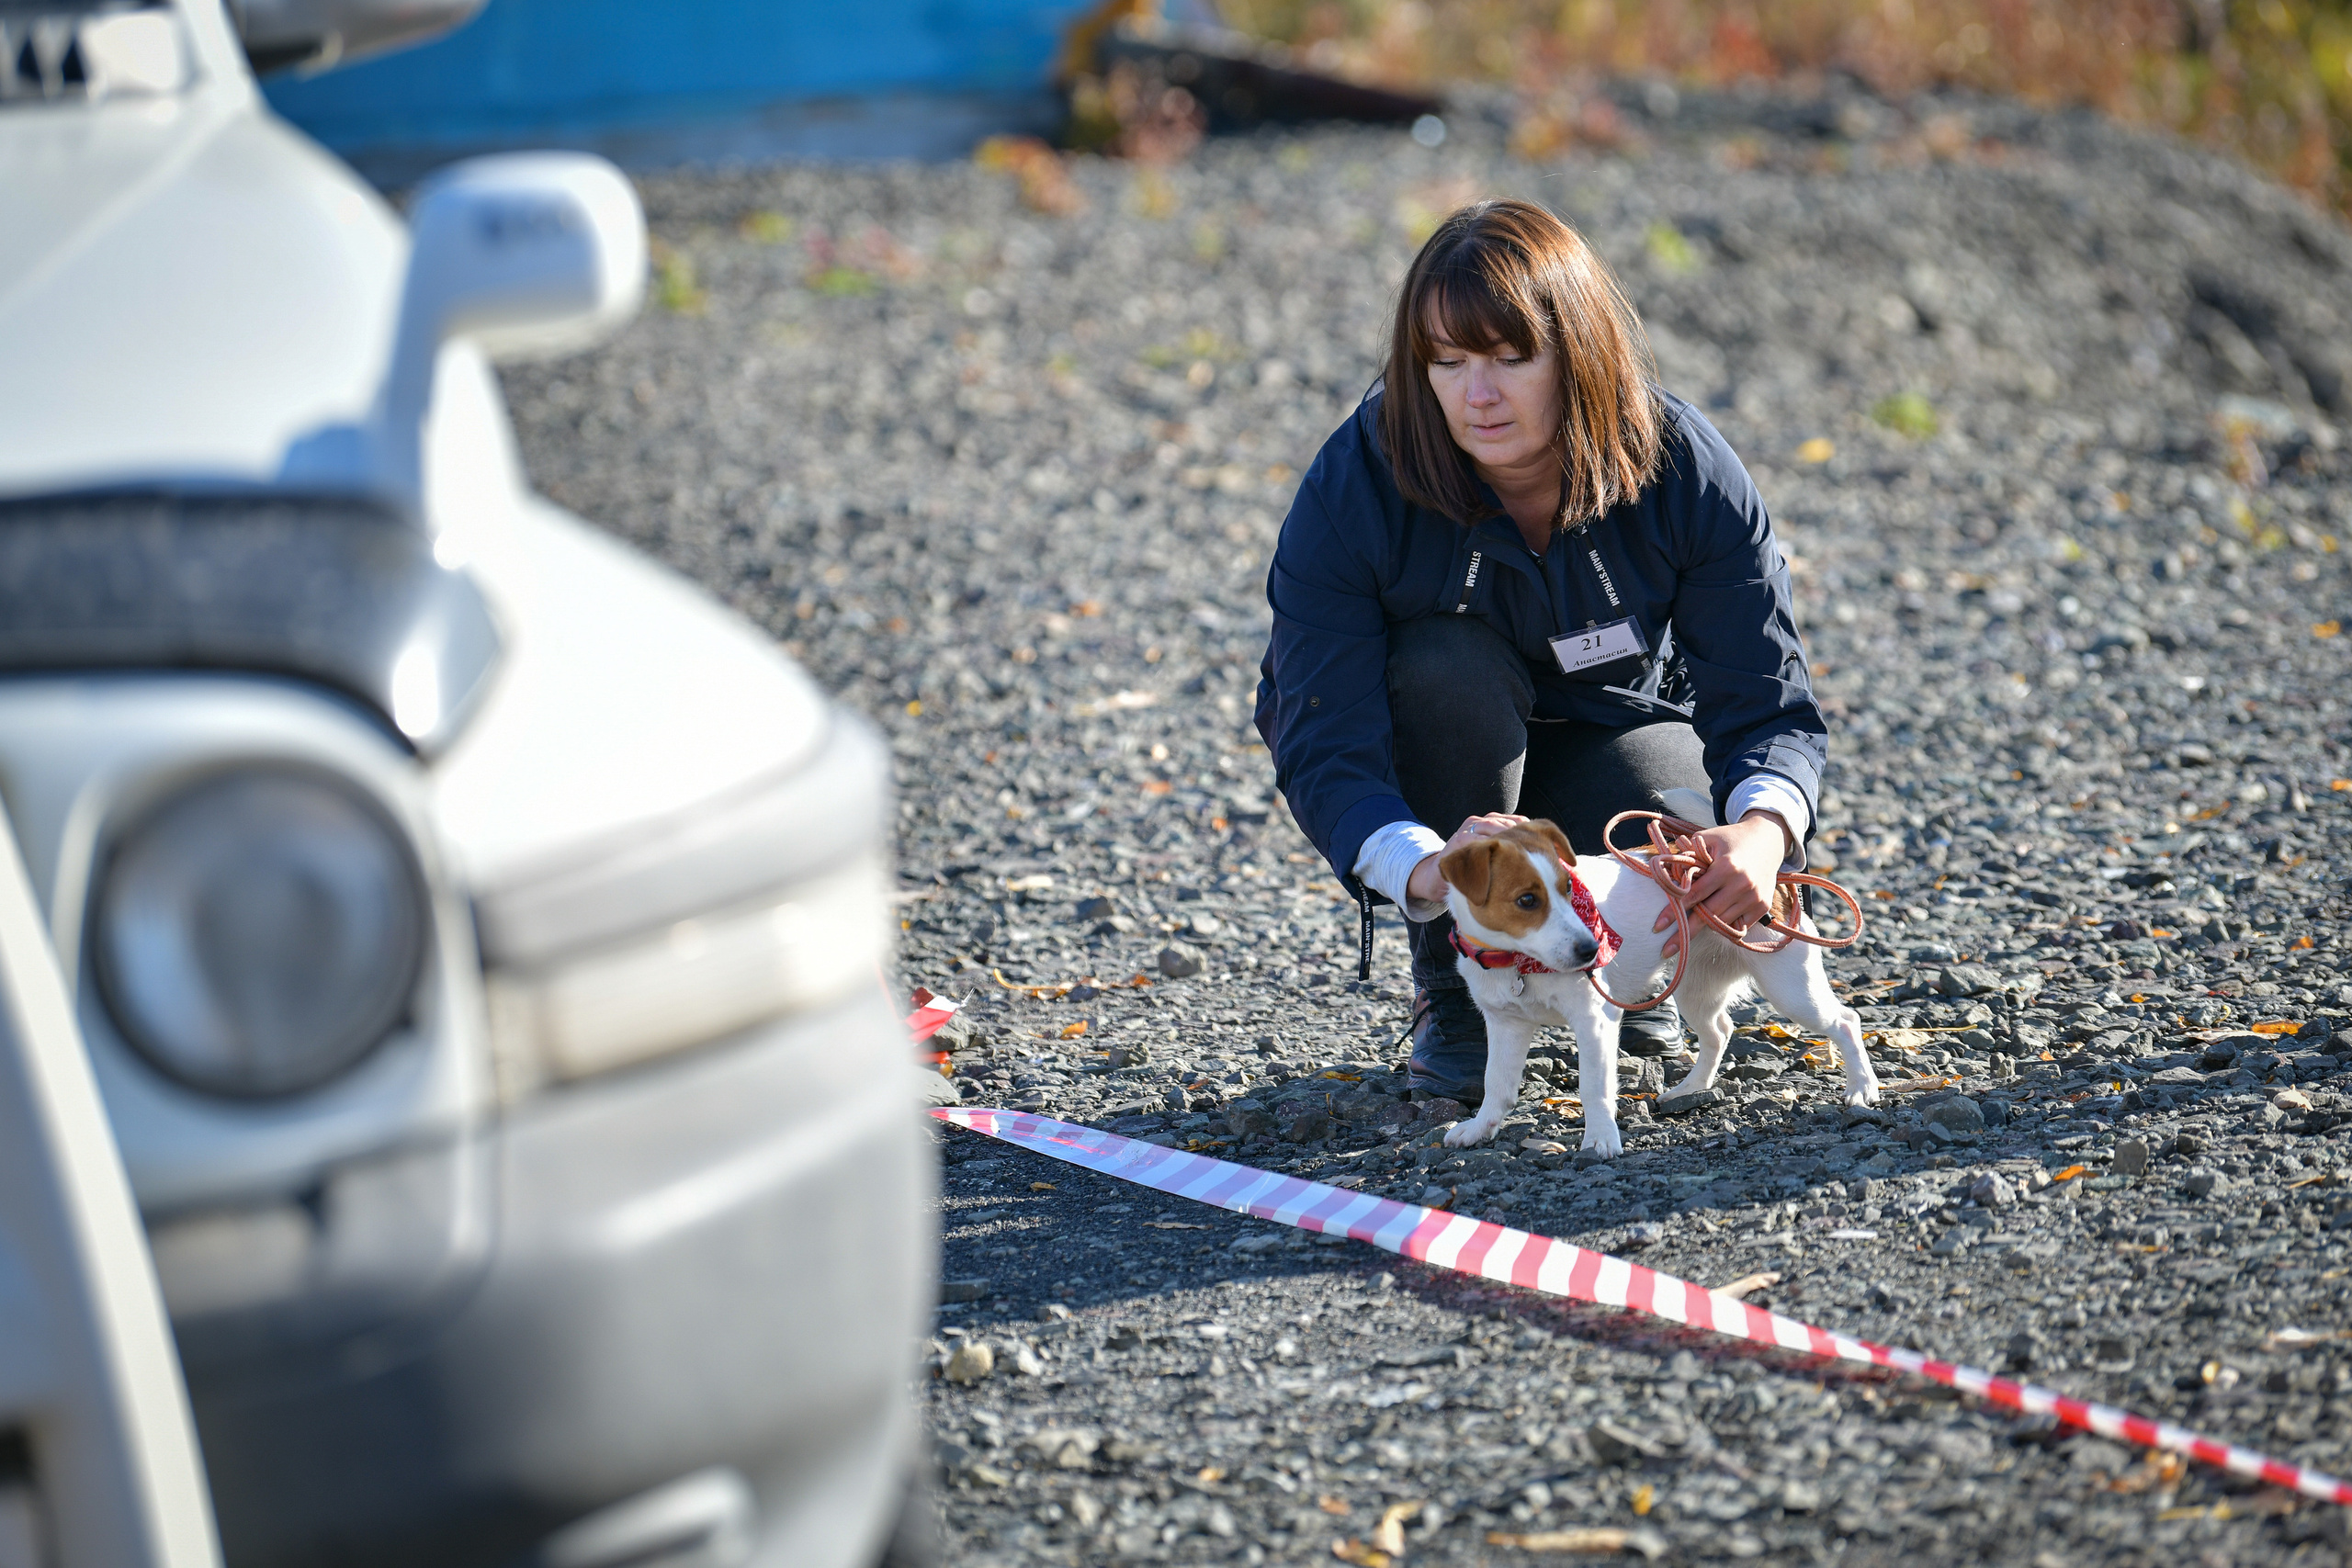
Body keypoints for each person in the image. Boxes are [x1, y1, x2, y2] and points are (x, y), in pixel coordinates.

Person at [1253, 198, 1827, 1108]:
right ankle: (1457, 993)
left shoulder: (1685, 467)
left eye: (1511, 357)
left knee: (1673, 809)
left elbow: (1767, 697)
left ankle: (1635, 983)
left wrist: (1762, 832)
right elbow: (1320, 735)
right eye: (1446, 361)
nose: (1475, 394)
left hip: (1617, 734)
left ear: (1580, 356)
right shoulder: (1351, 486)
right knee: (1441, 672)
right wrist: (1425, 870)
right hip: (1452, 747)